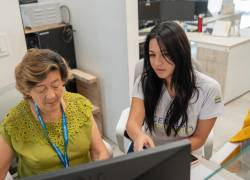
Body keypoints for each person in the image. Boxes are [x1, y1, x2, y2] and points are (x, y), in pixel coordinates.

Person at [0, 49, 109, 178]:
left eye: (56, 85)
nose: (51, 95)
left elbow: (99, 153)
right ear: (27, 90)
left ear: (63, 81)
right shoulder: (14, 122)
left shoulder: (80, 105)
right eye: (41, 89)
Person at [126, 21, 224, 152]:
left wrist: (167, 153)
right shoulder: (144, 81)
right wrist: (139, 136)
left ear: (181, 53)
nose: (157, 63)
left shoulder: (209, 90)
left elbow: (199, 138)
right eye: (152, 54)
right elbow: (133, 123)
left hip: (181, 152)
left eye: (165, 54)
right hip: (147, 149)